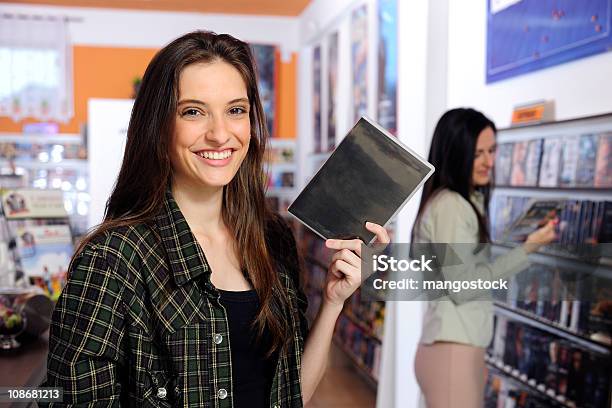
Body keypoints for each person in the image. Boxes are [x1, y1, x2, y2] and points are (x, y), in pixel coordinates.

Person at [42, 31, 389, 407]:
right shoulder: (110, 261)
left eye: (235, 110)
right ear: (158, 126)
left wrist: (335, 302)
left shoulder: (273, 238)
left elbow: (289, 396)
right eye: (193, 111)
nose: (220, 134)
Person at [411, 108, 556, 408]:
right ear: (457, 153)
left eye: (492, 151)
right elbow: (463, 287)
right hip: (453, 352)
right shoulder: (451, 206)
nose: (489, 162)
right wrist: (526, 250)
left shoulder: (456, 202)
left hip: (453, 350)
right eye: (478, 154)